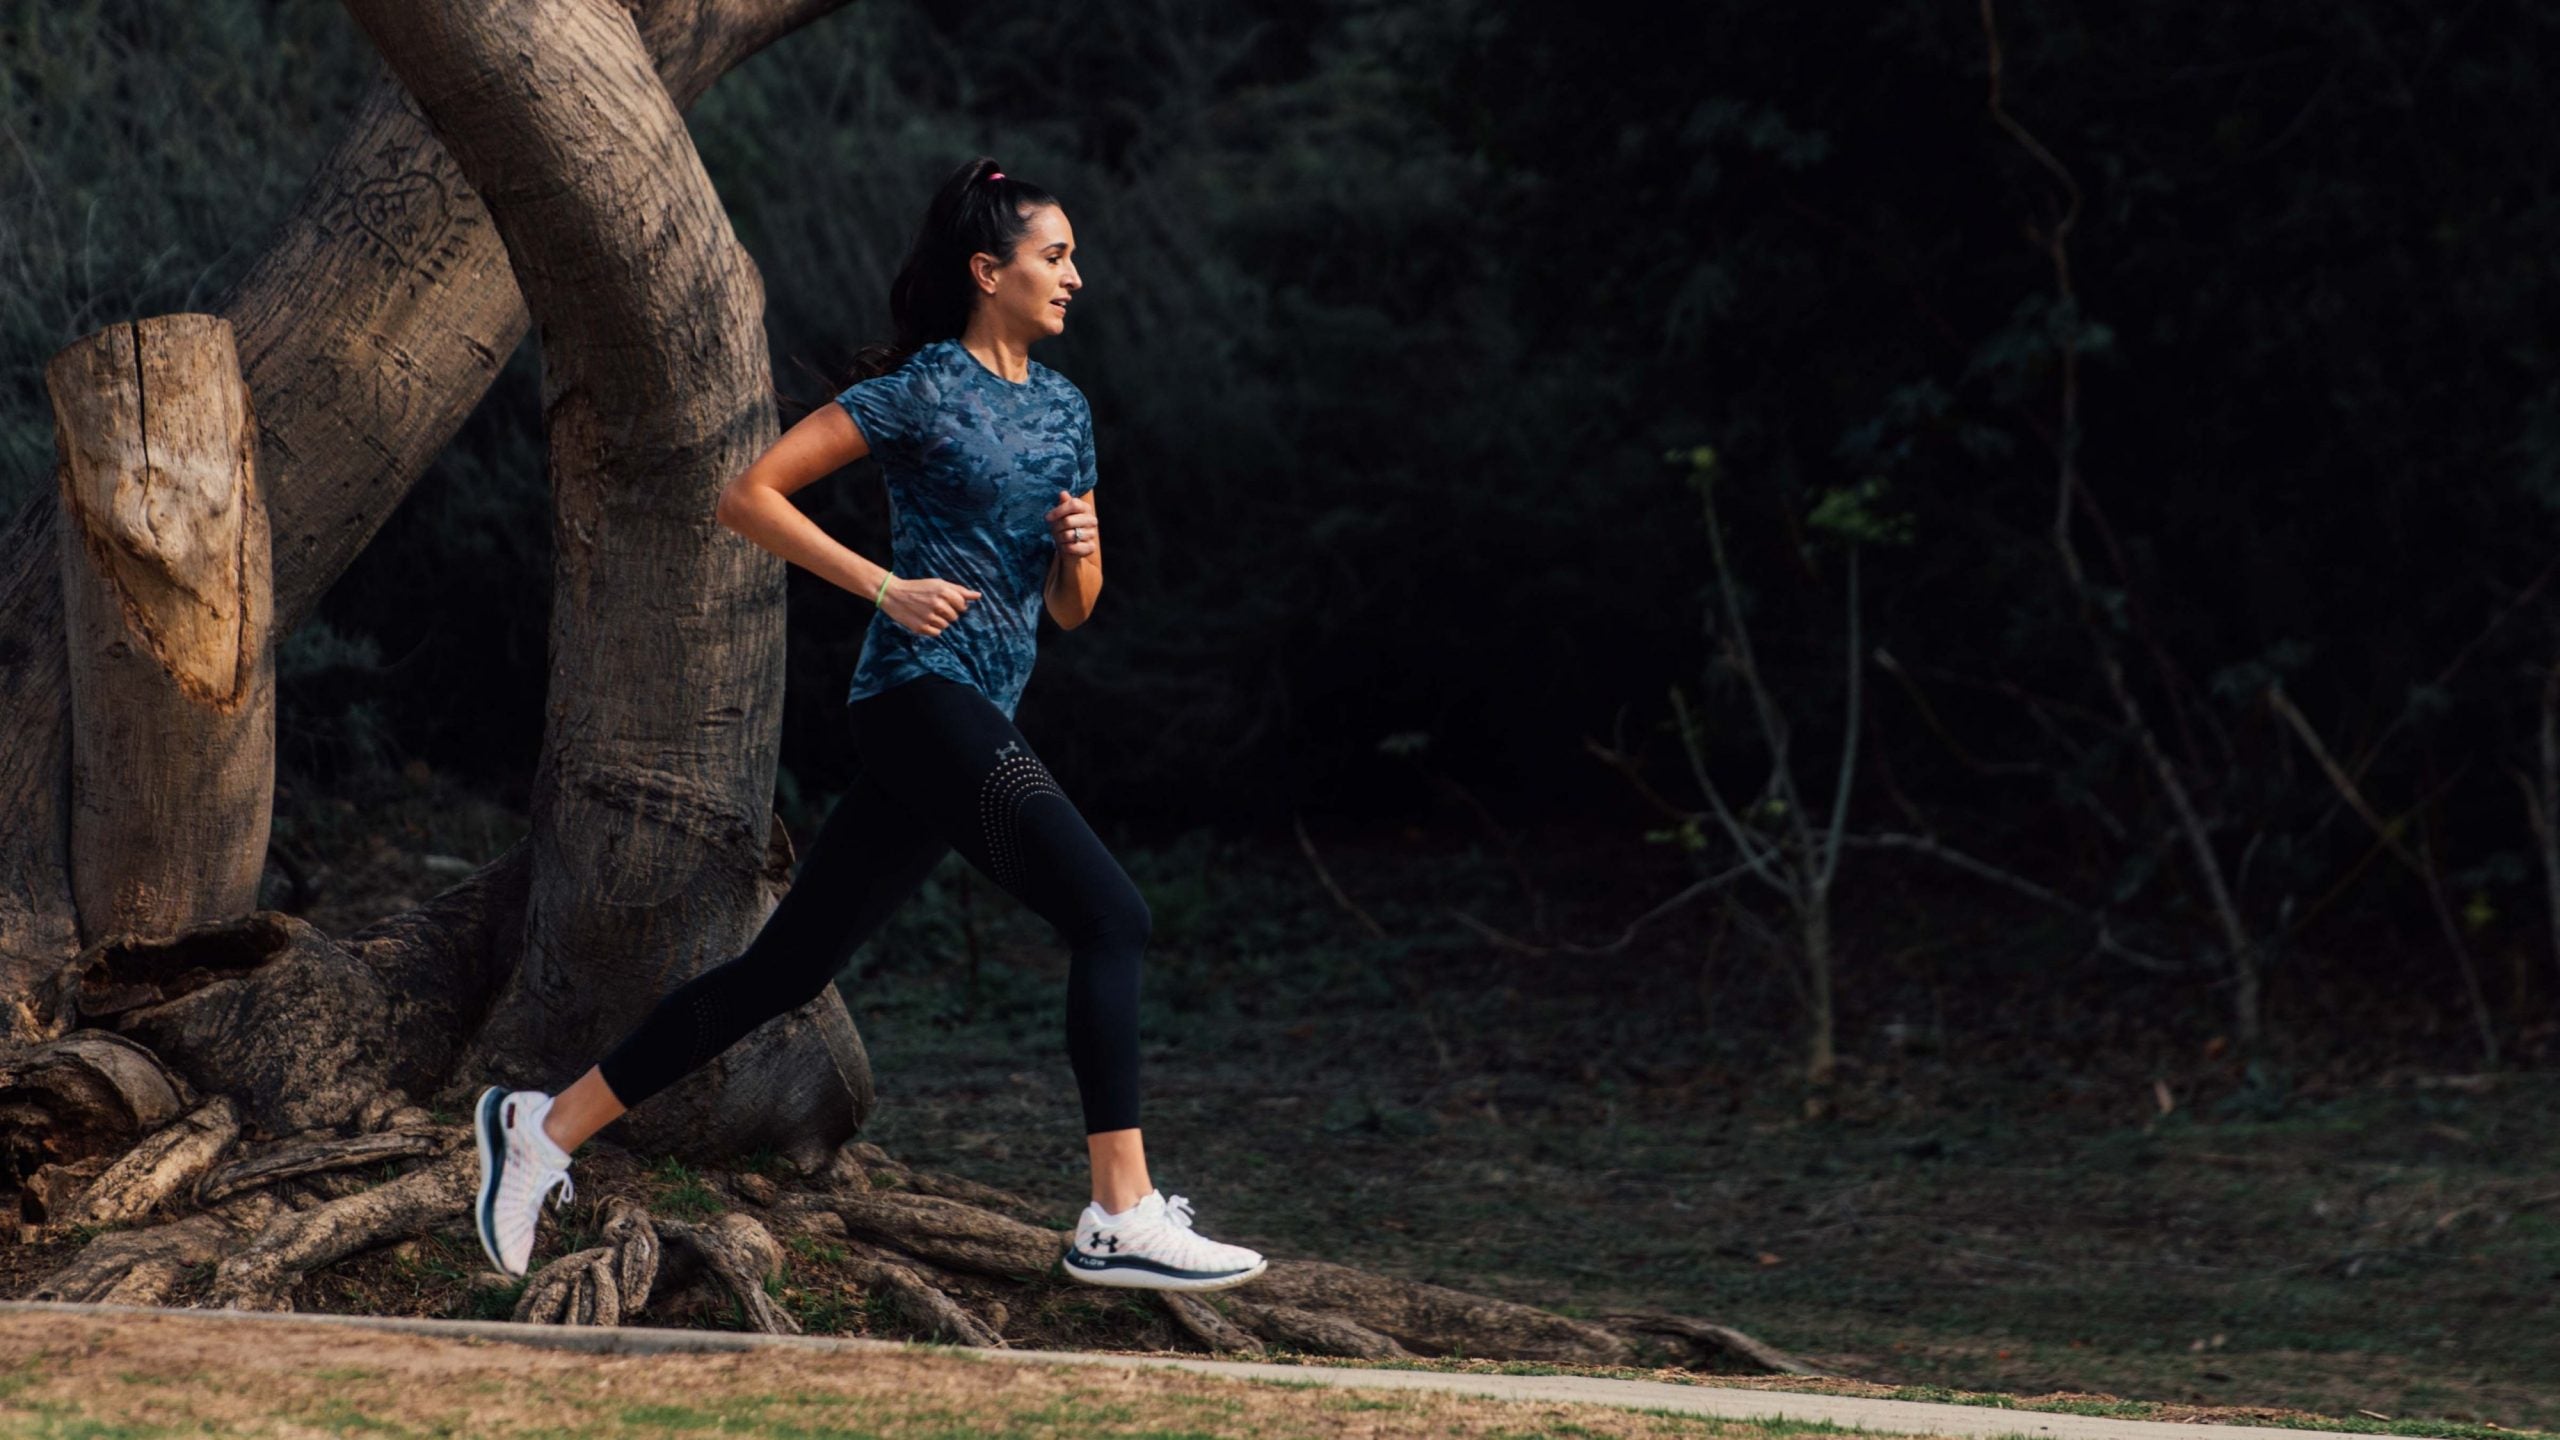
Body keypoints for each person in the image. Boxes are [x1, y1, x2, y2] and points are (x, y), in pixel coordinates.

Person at [471, 156, 1266, 1296]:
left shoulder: (1064, 409)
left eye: (1074, 258)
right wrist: (883, 586)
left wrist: (1083, 559)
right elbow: (748, 494)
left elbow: (1070, 613)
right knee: (1112, 915)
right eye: (1055, 257)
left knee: (785, 970)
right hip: (917, 699)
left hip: (974, 709)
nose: (1075, 278)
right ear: (987, 272)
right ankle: (1118, 1213)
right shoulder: (921, 390)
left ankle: (542, 1126)